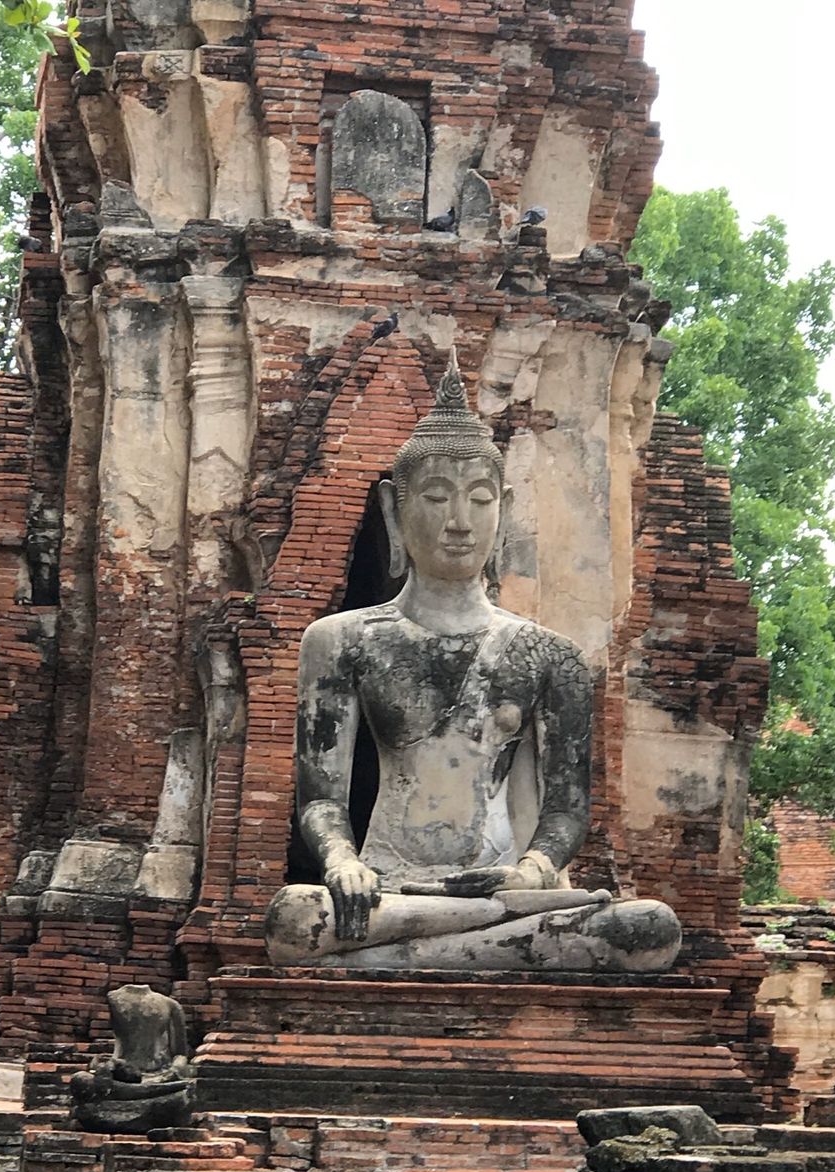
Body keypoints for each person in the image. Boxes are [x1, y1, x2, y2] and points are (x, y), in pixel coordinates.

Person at [265, 350, 681, 972]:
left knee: (649, 929)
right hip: (385, 887)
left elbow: (566, 811)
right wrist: (342, 863)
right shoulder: (340, 640)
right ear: (394, 511)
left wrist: (533, 872)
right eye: (436, 496)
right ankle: (464, 942)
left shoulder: (552, 656)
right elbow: (321, 800)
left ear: (503, 510)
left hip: (505, 888)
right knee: (296, 918)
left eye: (480, 499)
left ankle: (406, 953)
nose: (460, 522)